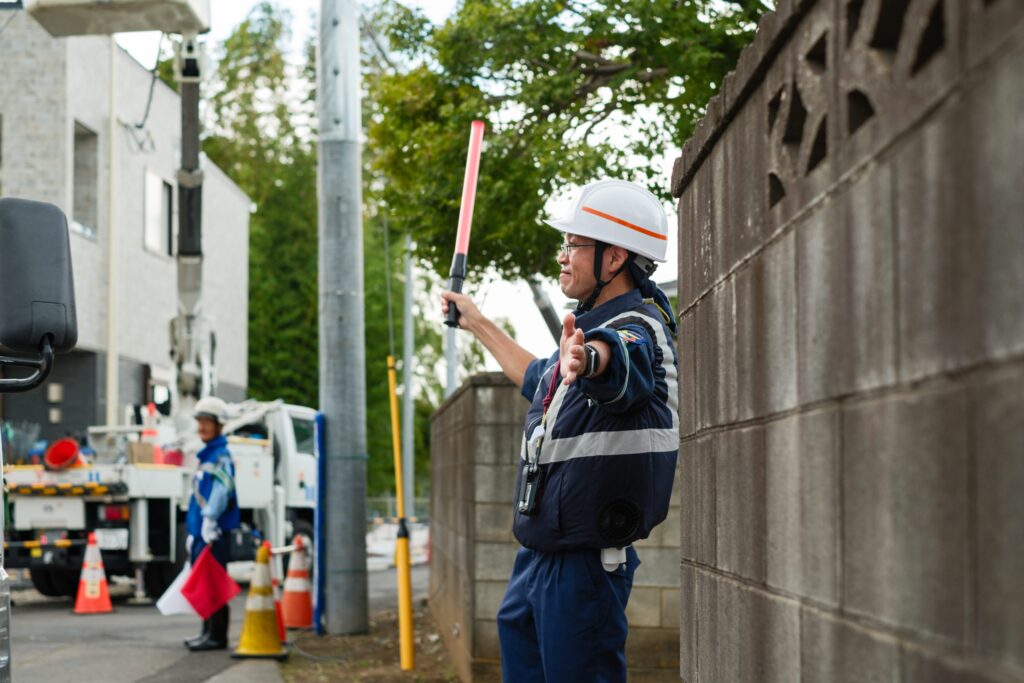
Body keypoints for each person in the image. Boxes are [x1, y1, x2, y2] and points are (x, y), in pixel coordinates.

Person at [441, 179, 678, 682]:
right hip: (539, 558)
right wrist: (476, 322)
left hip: (585, 565)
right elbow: (536, 376)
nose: (563, 256)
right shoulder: (588, 327)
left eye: (574, 244)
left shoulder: (639, 328)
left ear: (613, 259)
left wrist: (591, 358)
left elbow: (620, 361)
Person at [183, 395, 240, 651]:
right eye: (200, 422)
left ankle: (217, 636)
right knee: (206, 584)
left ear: (219, 425)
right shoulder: (208, 455)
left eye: (207, 422)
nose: (202, 427)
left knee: (214, 585)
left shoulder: (220, 456)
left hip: (213, 532)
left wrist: (209, 520)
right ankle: (207, 633)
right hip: (202, 532)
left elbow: (221, 490)